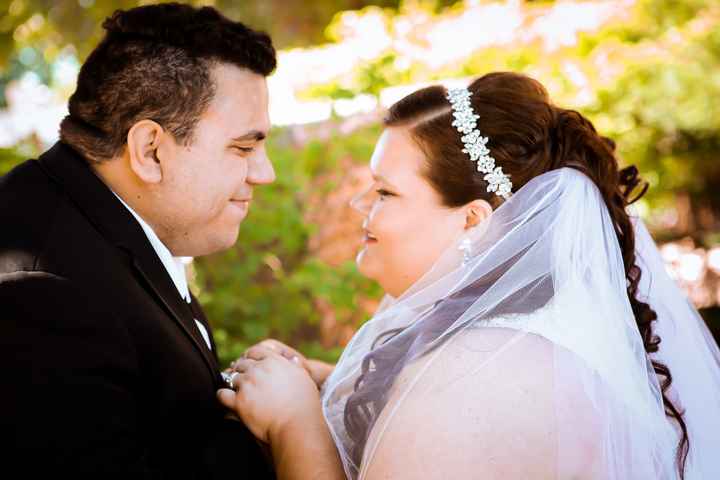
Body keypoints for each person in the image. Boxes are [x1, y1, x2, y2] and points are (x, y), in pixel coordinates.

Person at [218, 72, 720, 479]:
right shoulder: (516, 345)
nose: (357, 205)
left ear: (473, 220)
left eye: (384, 192)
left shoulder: (466, 381)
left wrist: (295, 424)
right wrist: (330, 385)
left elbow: (451, 415)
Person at [0, 3, 278, 478]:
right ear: (150, 150)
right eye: (243, 147)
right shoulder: (41, 292)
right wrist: (285, 431)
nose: (265, 173)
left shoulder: (98, 217)